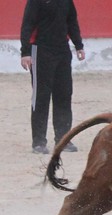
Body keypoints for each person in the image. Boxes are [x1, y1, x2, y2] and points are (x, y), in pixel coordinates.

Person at [20, 0, 85, 154]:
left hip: (62, 50)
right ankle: (39, 142)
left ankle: (63, 139)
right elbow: (27, 24)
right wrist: (26, 52)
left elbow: (71, 21)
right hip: (40, 50)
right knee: (41, 96)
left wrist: (79, 45)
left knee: (64, 94)